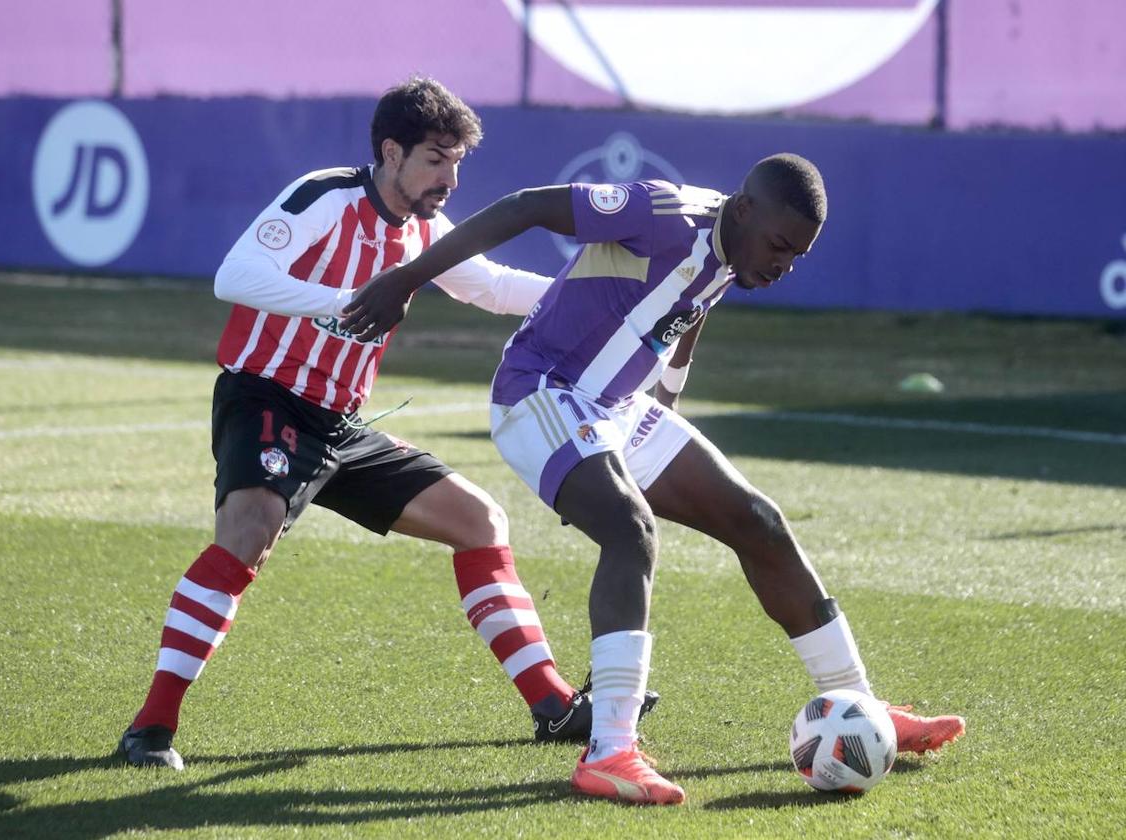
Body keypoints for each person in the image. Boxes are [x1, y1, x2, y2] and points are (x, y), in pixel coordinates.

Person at [340, 153, 967, 805]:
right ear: (745, 209)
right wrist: (405, 279)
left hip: (616, 406)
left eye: (797, 256)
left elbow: (691, 303)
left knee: (760, 524)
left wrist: (666, 397)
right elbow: (527, 205)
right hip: (541, 393)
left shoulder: (735, 246)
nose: (784, 265)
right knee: (630, 531)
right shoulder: (661, 212)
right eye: (780, 246)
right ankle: (610, 750)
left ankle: (858, 705)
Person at [116, 77, 657, 770]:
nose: (449, 179)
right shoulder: (326, 195)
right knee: (248, 532)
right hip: (266, 399)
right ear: (390, 151)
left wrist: (593, 300)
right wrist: (354, 299)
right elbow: (236, 275)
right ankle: (151, 728)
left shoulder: (425, 227)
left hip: (342, 426)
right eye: (436, 159)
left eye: (457, 163)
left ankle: (554, 707)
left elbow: (487, 285)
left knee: (479, 520)